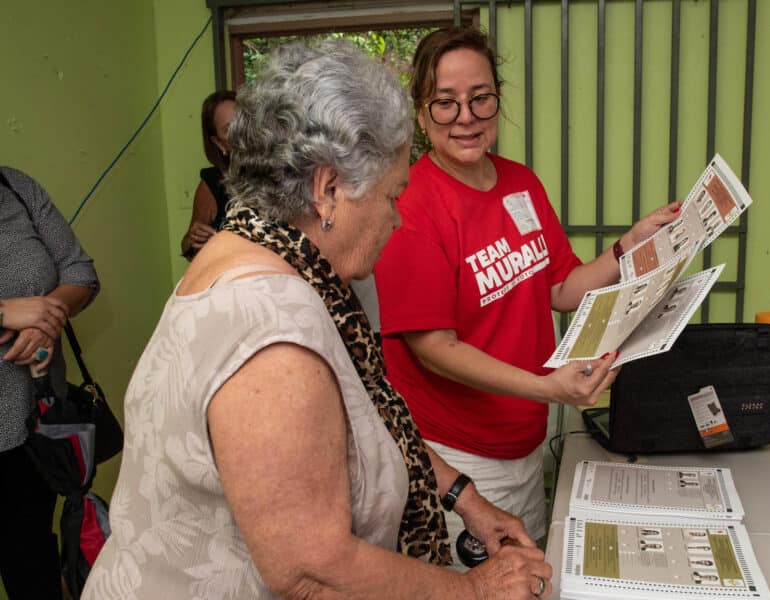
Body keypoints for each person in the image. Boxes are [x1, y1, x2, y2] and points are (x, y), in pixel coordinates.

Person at [82, 41, 551, 599]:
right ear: (328, 190)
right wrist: (476, 590)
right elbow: (311, 568)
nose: (397, 220)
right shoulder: (270, 334)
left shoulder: (263, 251)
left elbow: (365, 426)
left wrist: (462, 497)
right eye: (391, 196)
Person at [374, 27, 681, 543]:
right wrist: (548, 388)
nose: (466, 117)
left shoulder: (521, 183)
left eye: (480, 98)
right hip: (455, 456)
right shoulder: (413, 204)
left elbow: (560, 287)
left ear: (498, 98)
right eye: (445, 103)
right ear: (421, 113)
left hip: (524, 440)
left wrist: (629, 245)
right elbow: (432, 347)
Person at [0, 166, 100, 600]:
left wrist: (46, 317)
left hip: (34, 427)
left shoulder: (15, 187)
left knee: (33, 570)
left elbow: (80, 272)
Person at [180, 89, 236, 259]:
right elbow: (188, 247)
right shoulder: (213, 183)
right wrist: (194, 237)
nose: (240, 132)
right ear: (219, 143)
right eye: (228, 129)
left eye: (242, 122)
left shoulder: (284, 173)